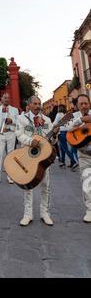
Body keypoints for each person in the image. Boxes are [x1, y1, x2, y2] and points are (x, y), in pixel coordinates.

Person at [16, 96, 54, 226]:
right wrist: (30, 141)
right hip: (28, 156)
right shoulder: (22, 119)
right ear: (29, 104)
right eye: (35, 103)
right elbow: (19, 134)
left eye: (39, 103)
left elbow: (52, 140)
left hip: (44, 158)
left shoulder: (47, 120)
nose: (38, 106)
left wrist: (54, 135)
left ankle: (45, 213)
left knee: (46, 185)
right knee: (28, 186)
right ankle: (28, 214)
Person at [65, 94, 91, 222]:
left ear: (89, 103)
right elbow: (68, 127)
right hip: (84, 156)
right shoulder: (73, 116)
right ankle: (89, 211)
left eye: (86, 103)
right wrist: (81, 123)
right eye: (81, 104)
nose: (84, 106)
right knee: (87, 184)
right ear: (77, 106)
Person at [0, 93, 19, 184]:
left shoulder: (15, 110)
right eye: (5, 98)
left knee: (10, 155)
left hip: (11, 133)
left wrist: (12, 120)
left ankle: (10, 176)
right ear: (2, 99)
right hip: (0, 134)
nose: (6, 99)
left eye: (8, 98)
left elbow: (19, 122)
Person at [53, 105, 78, 171]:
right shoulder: (65, 114)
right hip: (66, 132)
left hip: (61, 132)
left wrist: (51, 125)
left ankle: (74, 161)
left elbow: (55, 124)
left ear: (59, 108)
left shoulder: (58, 114)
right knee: (62, 148)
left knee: (65, 148)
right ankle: (63, 162)